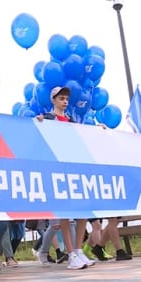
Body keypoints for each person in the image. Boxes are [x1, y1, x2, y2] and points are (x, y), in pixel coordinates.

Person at [36, 86, 95, 270]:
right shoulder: (46, 118)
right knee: (65, 215)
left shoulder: (72, 120)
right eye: (61, 98)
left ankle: (78, 250)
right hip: (57, 170)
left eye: (66, 98)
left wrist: (98, 130)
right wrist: (37, 122)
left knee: (83, 212)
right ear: (53, 99)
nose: (65, 101)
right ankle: (70, 254)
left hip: (74, 169)